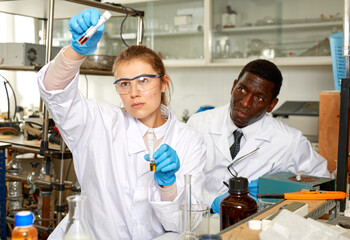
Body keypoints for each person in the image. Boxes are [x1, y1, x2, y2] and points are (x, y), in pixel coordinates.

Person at [37, 9, 206, 239]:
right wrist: (75, 52)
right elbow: (56, 92)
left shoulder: (188, 140)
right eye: (124, 84)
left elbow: (187, 223)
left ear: (164, 83)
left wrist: (169, 186)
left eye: (144, 81)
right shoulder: (99, 122)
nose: (134, 92)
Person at [187, 59, 330, 213]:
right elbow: (183, 184)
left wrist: (282, 189)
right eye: (241, 89)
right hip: (201, 220)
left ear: (272, 105)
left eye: (259, 98)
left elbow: (324, 185)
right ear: (233, 86)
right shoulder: (198, 124)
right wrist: (213, 202)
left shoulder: (290, 141)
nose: (246, 103)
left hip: (256, 226)